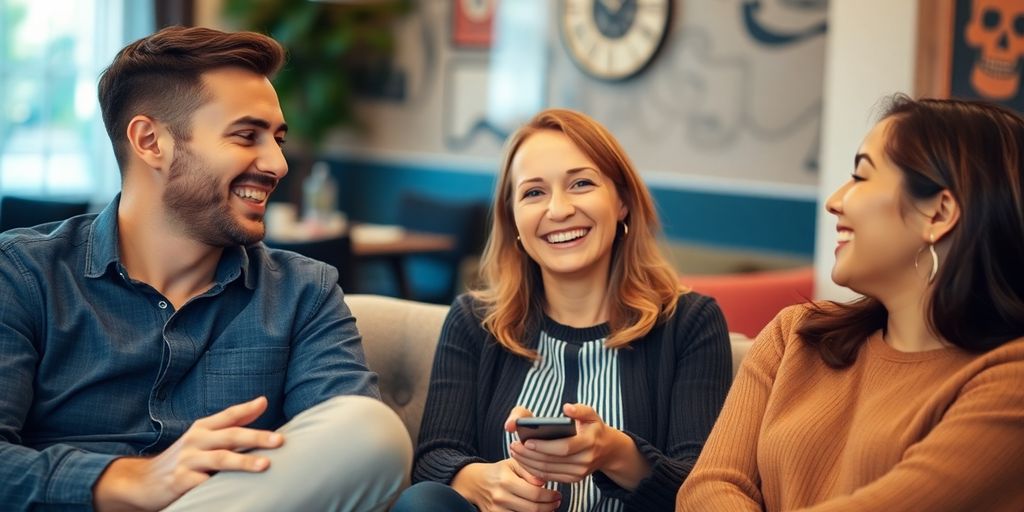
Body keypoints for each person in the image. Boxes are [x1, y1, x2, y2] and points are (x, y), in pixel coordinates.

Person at [0, 26, 411, 511]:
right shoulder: (24, 274)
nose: (277, 164)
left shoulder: (304, 292)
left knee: (371, 429)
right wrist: (125, 480)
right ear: (150, 141)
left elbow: (349, 452)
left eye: (277, 139)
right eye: (246, 135)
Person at [676, 96, 1024, 511]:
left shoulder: (1009, 380)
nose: (834, 200)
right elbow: (705, 488)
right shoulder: (797, 334)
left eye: (861, 178)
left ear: (938, 214)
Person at [392, 109, 733, 512]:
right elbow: (435, 457)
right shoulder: (473, 320)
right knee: (424, 502)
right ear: (512, 217)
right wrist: (482, 482)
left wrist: (614, 453)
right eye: (534, 192)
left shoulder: (690, 323)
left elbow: (703, 488)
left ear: (622, 201)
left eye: (581, 183)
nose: (558, 210)